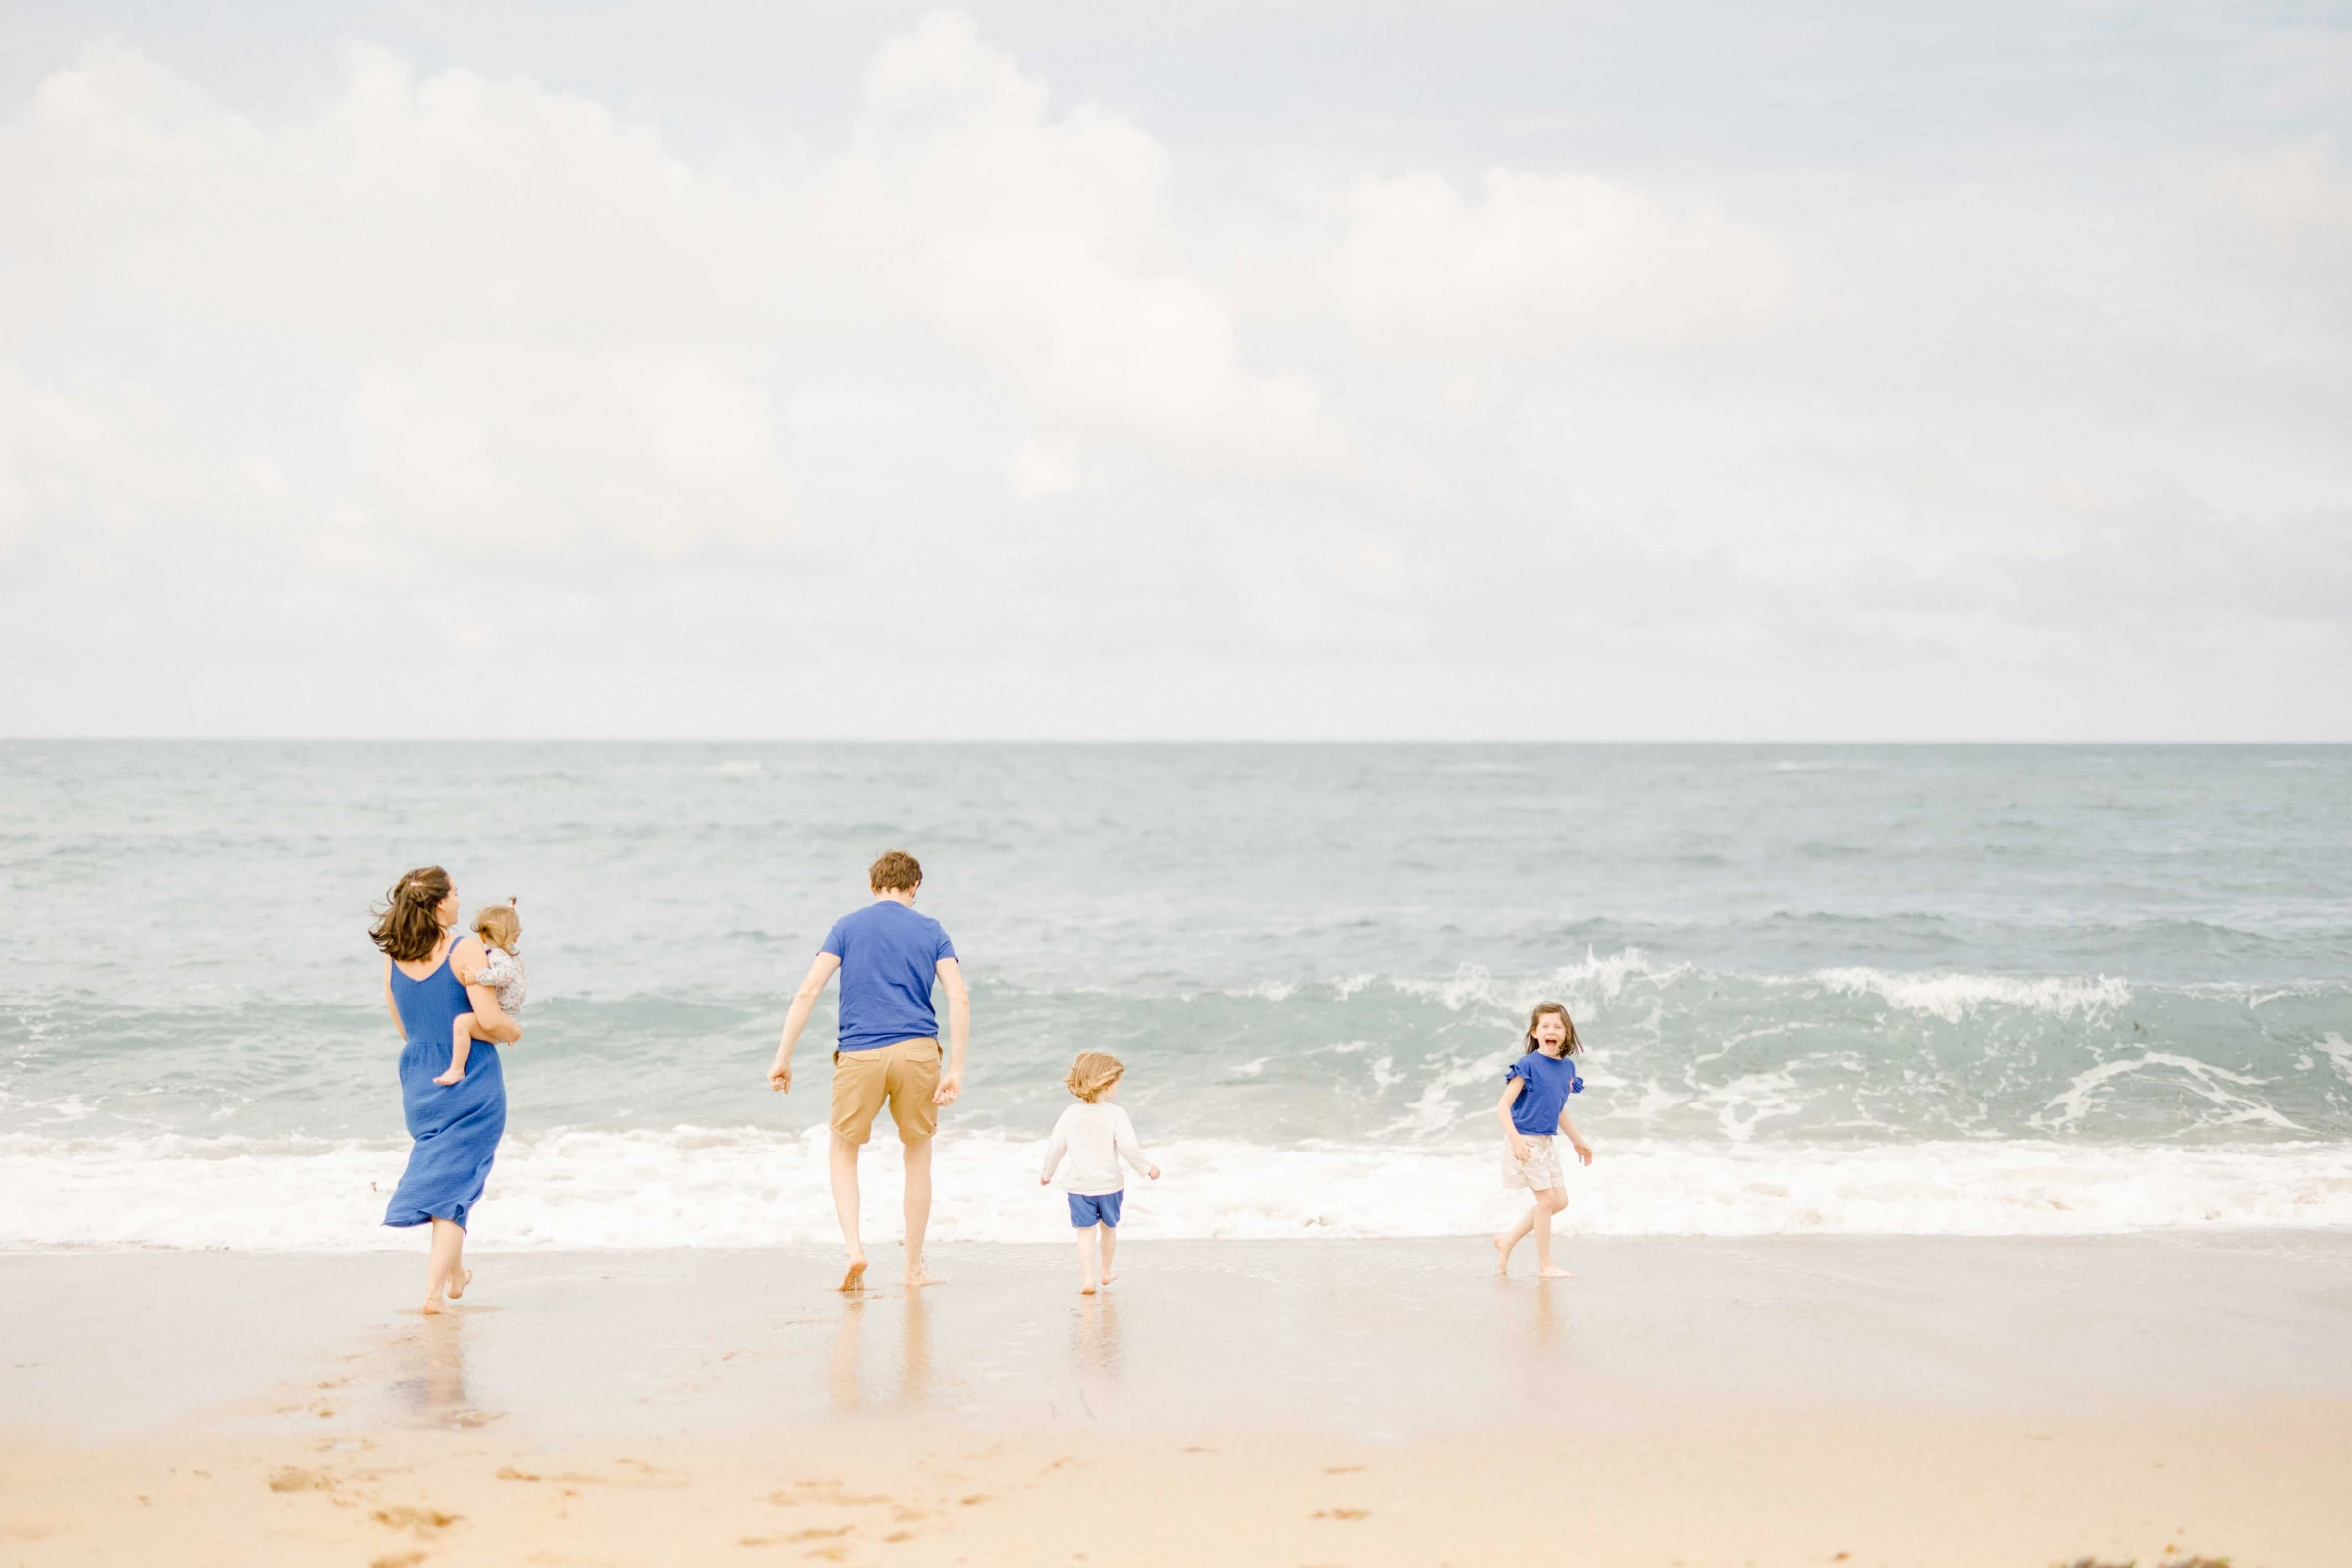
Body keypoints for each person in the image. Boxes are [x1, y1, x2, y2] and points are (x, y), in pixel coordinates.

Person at [769, 850, 969, 1291]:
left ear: (873, 886)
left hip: (860, 1054)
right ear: (914, 885)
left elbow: (808, 991)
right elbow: (958, 996)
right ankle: (913, 1269)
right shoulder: (932, 930)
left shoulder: (846, 927)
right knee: (917, 1154)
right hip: (918, 1052)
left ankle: (855, 1249)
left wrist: (783, 1057)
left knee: (843, 1151)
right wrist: (955, 1068)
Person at [370, 866, 522, 1314]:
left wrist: (428, 1049)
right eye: (454, 893)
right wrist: (514, 1030)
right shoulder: (464, 947)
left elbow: (400, 1020)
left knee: (451, 1173)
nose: (459, 900)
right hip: (470, 1078)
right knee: (454, 1187)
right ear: (439, 903)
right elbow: (490, 1019)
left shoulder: (395, 953)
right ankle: (432, 1294)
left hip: (418, 1073)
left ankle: (456, 1275)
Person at [1039, 1051, 1160, 1295]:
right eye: (1117, 1082)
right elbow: (1128, 1147)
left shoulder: (1070, 1114)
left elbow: (1056, 1147)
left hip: (1079, 1186)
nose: (1118, 1088)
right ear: (1106, 1083)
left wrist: (1047, 1172)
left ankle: (1087, 1278)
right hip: (1109, 1185)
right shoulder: (1116, 1113)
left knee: (1084, 1233)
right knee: (1108, 1228)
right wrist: (1147, 1168)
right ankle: (1106, 1271)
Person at [1493, 1000, 1593, 1278]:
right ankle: (1545, 1264)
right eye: (1545, 1025)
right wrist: (1515, 1140)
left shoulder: (1566, 1069)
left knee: (1560, 1201)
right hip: (1524, 1140)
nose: (1552, 1030)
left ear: (1566, 1033)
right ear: (1535, 1033)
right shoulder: (1528, 1066)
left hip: (1547, 1142)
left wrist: (1577, 1141)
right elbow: (1503, 1107)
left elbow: (1559, 1110)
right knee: (1547, 1201)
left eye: (1558, 1026)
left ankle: (1508, 1239)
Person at [438, 900, 526, 1088]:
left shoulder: (496, 955)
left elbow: (504, 975)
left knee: (462, 1023)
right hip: (508, 1016)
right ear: (514, 937)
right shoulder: (513, 958)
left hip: (502, 1016)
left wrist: (477, 976)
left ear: (482, 935)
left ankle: (456, 1069)